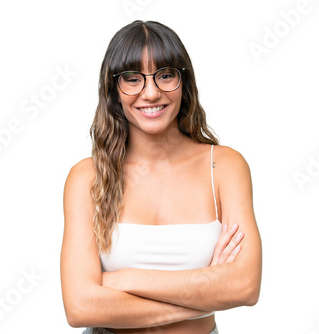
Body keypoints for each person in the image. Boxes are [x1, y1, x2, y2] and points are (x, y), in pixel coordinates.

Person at [60, 20, 262, 334]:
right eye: (132, 78)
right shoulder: (87, 178)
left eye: (166, 75)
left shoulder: (223, 166)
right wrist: (206, 293)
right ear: (114, 90)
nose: (151, 93)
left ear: (185, 82)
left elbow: (245, 286)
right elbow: (81, 307)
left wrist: (125, 280)